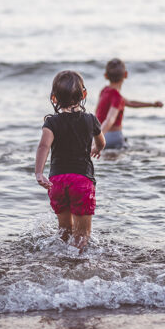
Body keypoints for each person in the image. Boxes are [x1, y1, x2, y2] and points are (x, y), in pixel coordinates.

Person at [35, 70, 106, 249]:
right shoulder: (90, 120)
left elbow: (43, 146)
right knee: (82, 234)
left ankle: (61, 260)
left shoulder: (51, 123)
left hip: (57, 181)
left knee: (64, 230)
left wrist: (39, 173)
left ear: (53, 98)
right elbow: (102, 142)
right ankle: (76, 266)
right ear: (84, 95)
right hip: (81, 180)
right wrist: (96, 149)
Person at [96, 58, 163, 149]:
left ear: (106, 76)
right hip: (111, 138)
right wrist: (98, 139)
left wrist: (152, 104)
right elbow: (110, 120)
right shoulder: (117, 97)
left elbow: (130, 103)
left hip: (99, 135)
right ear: (126, 75)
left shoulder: (104, 91)